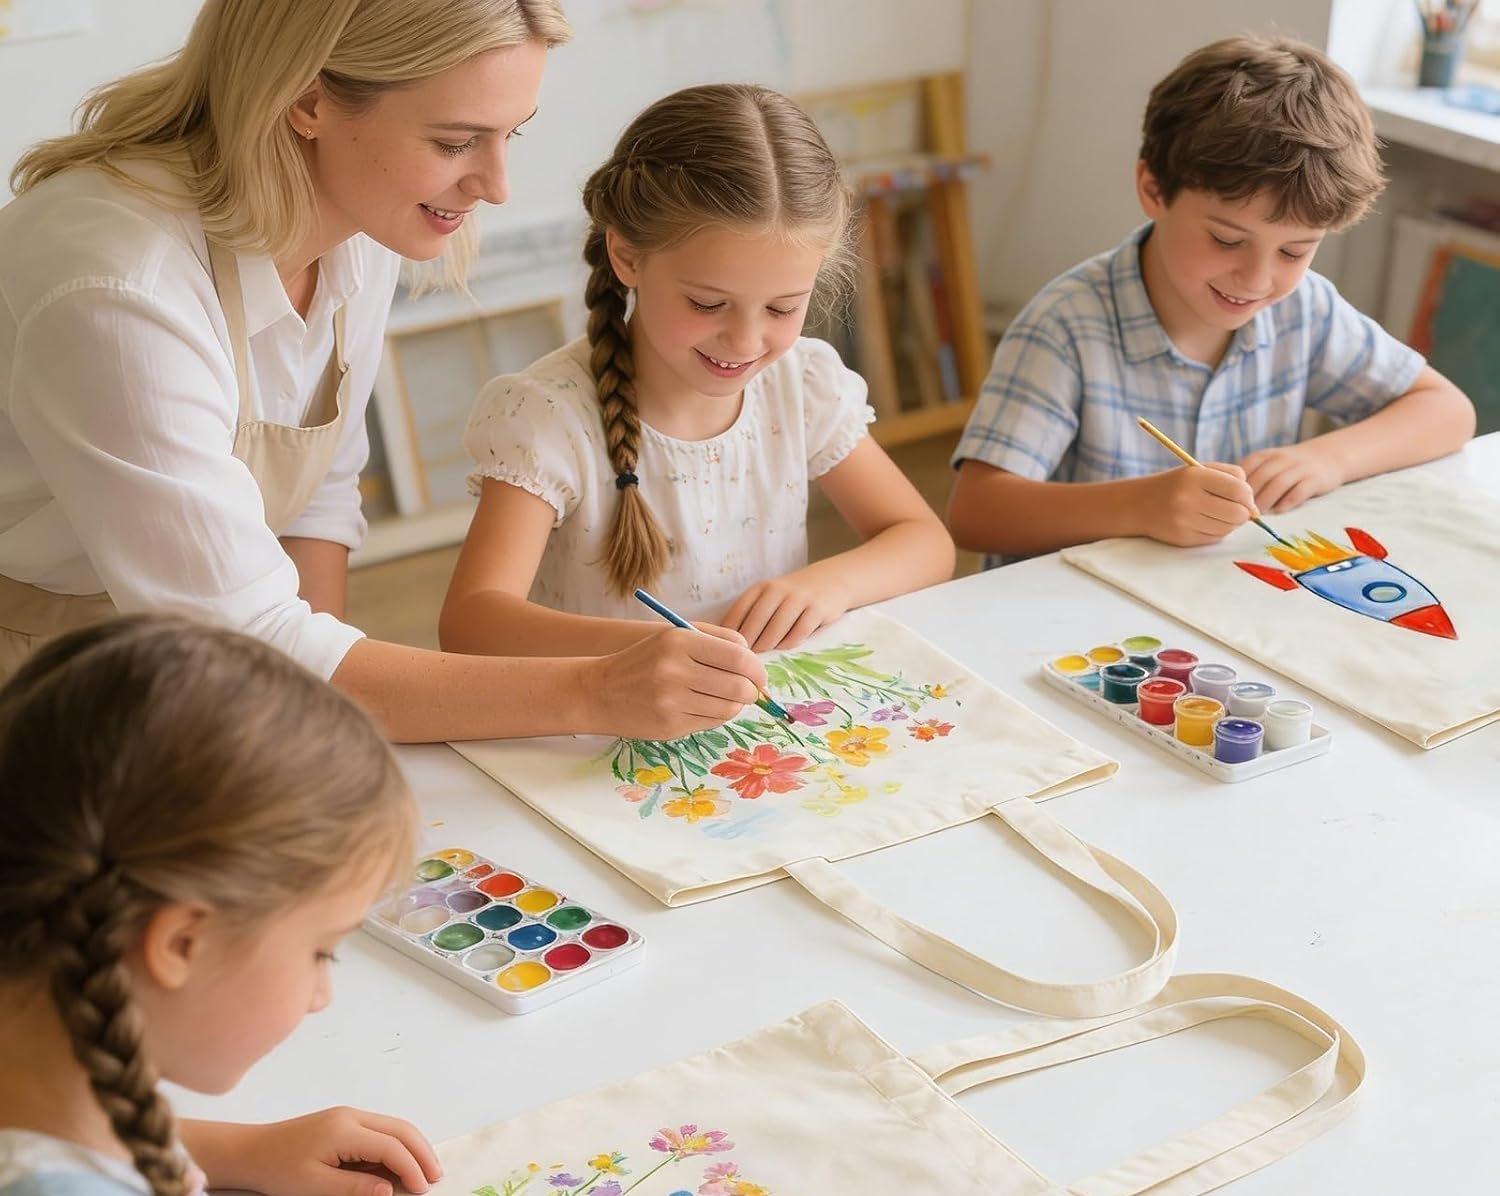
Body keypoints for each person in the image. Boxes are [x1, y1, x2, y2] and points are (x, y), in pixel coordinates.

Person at [0, 615, 644, 1196]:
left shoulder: (37, 1070)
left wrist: (238, 1150)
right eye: (321, 950)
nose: (322, 996)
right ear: (181, 942)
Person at [0, 0, 765, 741]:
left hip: (188, 642)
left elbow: (314, 502)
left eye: (510, 135)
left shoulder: (353, 224)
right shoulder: (120, 286)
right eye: (455, 142)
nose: (496, 186)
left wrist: (310, 725)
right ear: (309, 101)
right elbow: (251, 635)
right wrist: (595, 691)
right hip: (37, 657)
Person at [442, 83, 954, 657]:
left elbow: (924, 541)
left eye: (783, 307)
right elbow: (471, 621)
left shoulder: (800, 386)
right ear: (627, 256)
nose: (745, 340)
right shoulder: (547, 417)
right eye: (708, 304)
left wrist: (828, 584)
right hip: (603, 728)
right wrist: (642, 655)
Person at [947, 35, 1475, 560]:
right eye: (1226, 240)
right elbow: (977, 513)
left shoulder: (1303, 310)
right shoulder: (1065, 328)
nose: (1257, 278)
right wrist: (1139, 507)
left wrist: (1328, 458)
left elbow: (1446, 411)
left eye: (1294, 251)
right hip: (1074, 623)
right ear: (1153, 190)